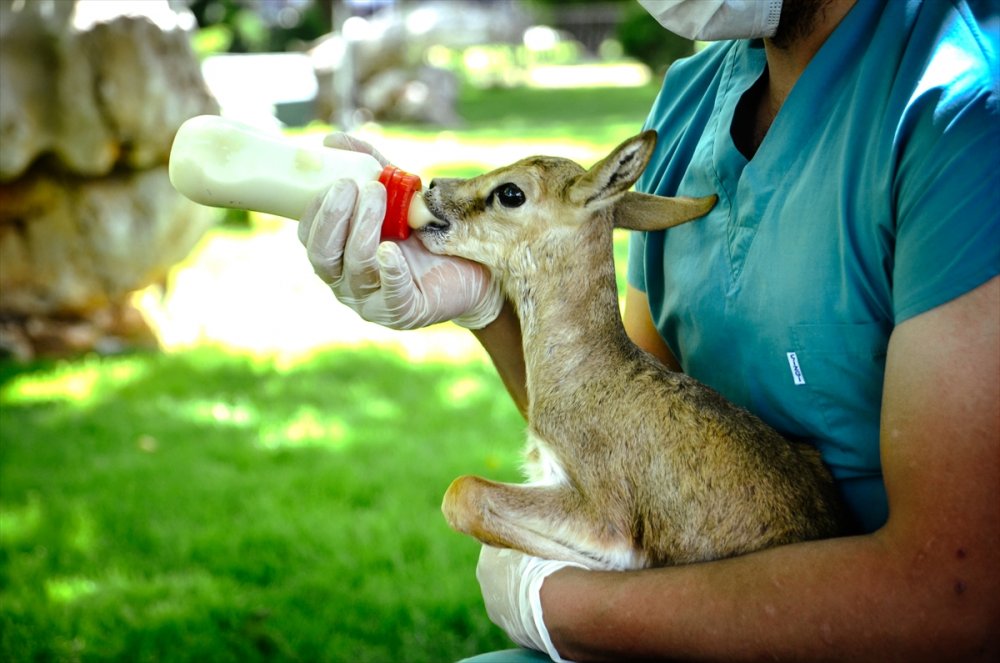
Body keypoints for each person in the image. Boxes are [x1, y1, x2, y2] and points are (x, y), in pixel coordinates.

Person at [297, 0, 999, 659]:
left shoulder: (962, 114)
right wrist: (488, 305)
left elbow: (956, 596)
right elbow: (625, 444)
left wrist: (567, 608)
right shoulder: (692, 98)